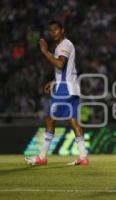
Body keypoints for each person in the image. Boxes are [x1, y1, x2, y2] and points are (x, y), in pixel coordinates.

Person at [25, 20, 88, 166]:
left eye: (55, 29)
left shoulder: (64, 45)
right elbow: (66, 70)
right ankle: (83, 156)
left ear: (62, 30)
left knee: (49, 118)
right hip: (72, 87)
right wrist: (54, 81)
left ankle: (42, 157)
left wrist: (45, 52)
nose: (53, 32)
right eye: (50, 30)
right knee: (73, 121)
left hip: (65, 89)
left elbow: (60, 64)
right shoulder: (66, 44)